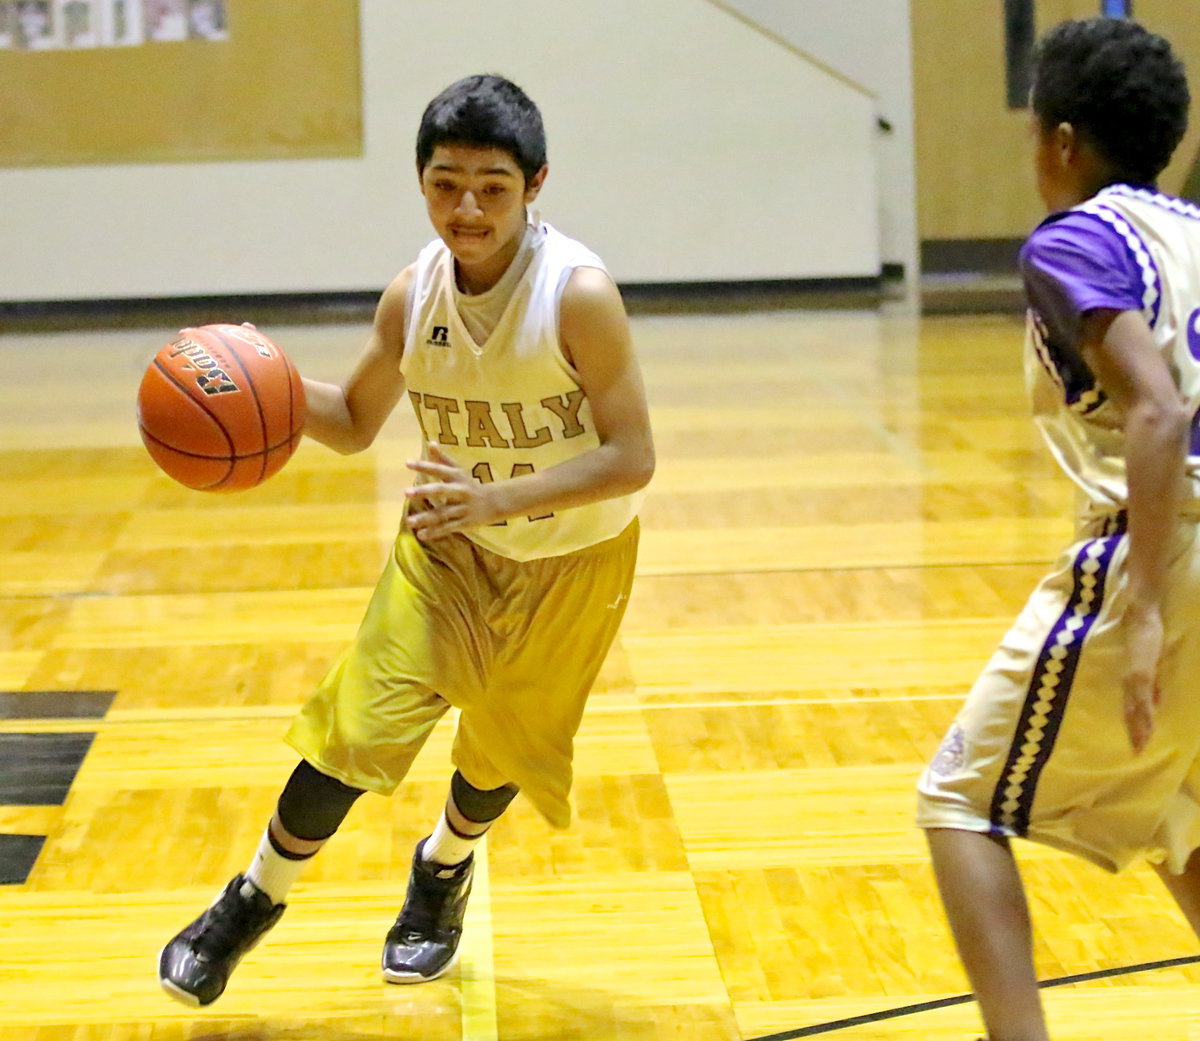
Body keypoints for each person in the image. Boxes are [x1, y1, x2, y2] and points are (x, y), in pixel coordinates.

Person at [158, 73, 655, 1007]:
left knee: (497, 752)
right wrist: (256, 373)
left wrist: (496, 499)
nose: (467, 207)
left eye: (493, 187)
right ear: (421, 181)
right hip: (444, 549)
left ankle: (442, 870)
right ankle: (252, 897)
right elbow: (350, 420)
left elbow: (633, 456)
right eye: (445, 183)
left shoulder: (578, 295)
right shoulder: (411, 296)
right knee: (351, 732)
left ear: (536, 185)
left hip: (576, 560)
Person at [917, 17, 1200, 1041]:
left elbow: (1160, 411)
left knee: (959, 803)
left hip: (1159, 539)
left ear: (1066, 142)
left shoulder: (1075, 239)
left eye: (1036, 130)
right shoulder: (1194, 233)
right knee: (1176, 812)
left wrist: (1151, 613)